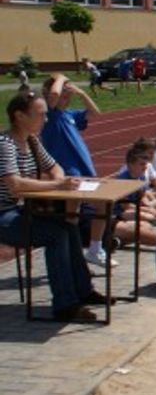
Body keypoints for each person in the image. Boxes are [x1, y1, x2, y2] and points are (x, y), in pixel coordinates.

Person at [0, 90, 102, 322]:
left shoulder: (33, 142)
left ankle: (83, 291)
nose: (46, 119)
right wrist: (57, 184)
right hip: (4, 214)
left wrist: (58, 179)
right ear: (20, 116)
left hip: (21, 209)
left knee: (69, 226)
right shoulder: (4, 144)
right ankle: (65, 305)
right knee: (56, 235)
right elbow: (15, 185)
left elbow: (56, 167)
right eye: (40, 114)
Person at [40, 75, 115, 267]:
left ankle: (77, 254)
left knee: (73, 214)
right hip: (68, 172)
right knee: (100, 204)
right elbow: (54, 95)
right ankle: (92, 250)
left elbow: (95, 112)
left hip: (83, 169)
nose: (66, 96)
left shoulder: (69, 115)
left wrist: (81, 93)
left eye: (68, 93)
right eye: (63, 93)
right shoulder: (49, 115)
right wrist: (61, 78)